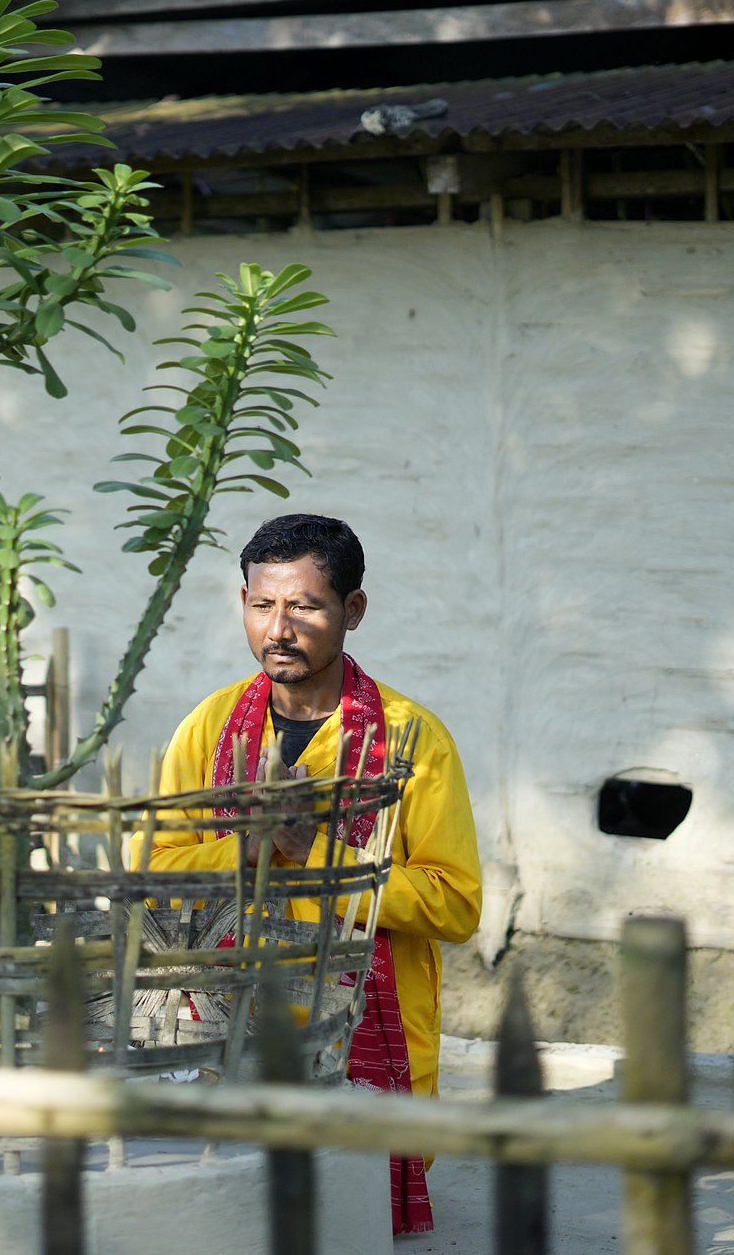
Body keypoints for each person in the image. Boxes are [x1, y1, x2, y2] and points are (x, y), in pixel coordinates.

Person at [141, 513, 481, 1236]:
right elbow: (157, 869)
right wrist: (252, 849)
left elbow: (455, 904)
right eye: (263, 605)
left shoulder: (412, 737)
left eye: (305, 606)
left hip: (358, 1039)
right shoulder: (210, 726)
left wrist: (314, 849)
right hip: (224, 1031)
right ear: (243, 604)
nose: (279, 629)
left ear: (353, 610)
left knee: (344, 1223)